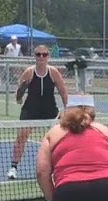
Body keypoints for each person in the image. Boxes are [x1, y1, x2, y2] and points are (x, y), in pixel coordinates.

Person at [8, 44, 69, 179]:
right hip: (31, 109)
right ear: (34, 57)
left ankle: (62, 166)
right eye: (38, 54)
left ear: (48, 56)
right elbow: (18, 98)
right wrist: (19, 96)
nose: (41, 57)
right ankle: (13, 167)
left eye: (44, 54)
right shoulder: (29, 72)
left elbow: (63, 93)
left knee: (60, 137)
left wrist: (67, 110)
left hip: (50, 109)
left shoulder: (53, 72)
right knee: (22, 136)